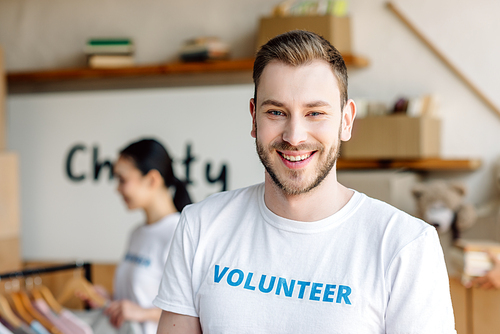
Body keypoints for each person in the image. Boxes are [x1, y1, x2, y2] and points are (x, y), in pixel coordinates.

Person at [153, 30, 456, 333]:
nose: (294, 136)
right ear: (253, 118)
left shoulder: (404, 245)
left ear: (346, 121)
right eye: (276, 112)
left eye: (315, 113)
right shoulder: (201, 225)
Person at [96, 138, 191, 334]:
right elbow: (138, 299)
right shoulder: (137, 234)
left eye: (122, 179)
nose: (117, 188)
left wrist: (141, 313)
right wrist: (108, 300)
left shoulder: (180, 233)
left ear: (152, 180)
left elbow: (193, 311)